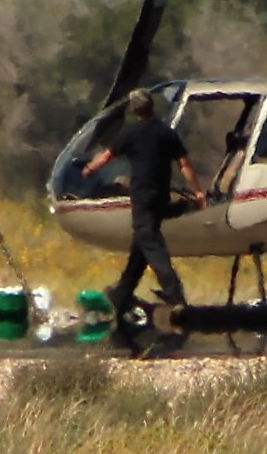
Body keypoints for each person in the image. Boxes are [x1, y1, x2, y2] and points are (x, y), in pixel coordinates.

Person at [85, 88, 204, 316]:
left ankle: (174, 293)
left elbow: (107, 156)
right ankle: (122, 293)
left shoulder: (129, 133)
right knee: (141, 242)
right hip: (161, 195)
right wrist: (198, 192)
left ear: (134, 110)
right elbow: (185, 165)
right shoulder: (166, 132)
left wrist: (89, 169)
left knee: (149, 240)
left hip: (142, 195)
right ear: (152, 107)